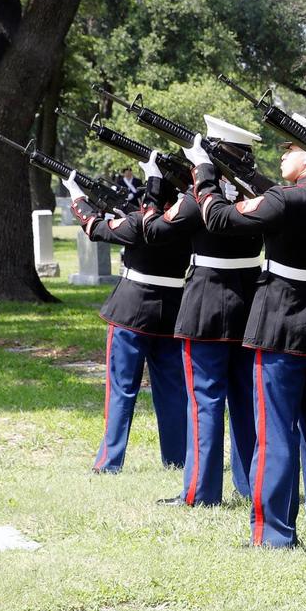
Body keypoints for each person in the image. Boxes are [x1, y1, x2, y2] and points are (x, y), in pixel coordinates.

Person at [194, 116, 306, 548]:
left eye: (289, 148)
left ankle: (274, 531)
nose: (282, 156)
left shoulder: (285, 198)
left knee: (276, 430)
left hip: (281, 322)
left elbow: (218, 217)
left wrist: (205, 173)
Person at [144, 116, 263, 507]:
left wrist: (154, 186)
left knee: (205, 401)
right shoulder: (257, 194)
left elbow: (155, 231)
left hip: (206, 306)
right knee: (245, 400)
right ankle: (250, 485)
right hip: (249, 304)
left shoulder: (201, 197)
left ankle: (201, 491)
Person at [65, 162, 190, 474]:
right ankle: (177, 459)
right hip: (171, 311)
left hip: (131, 313)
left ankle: (110, 461)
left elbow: (94, 228)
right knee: (172, 391)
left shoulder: (137, 222)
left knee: (121, 388)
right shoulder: (189, 223)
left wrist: (77, 196)